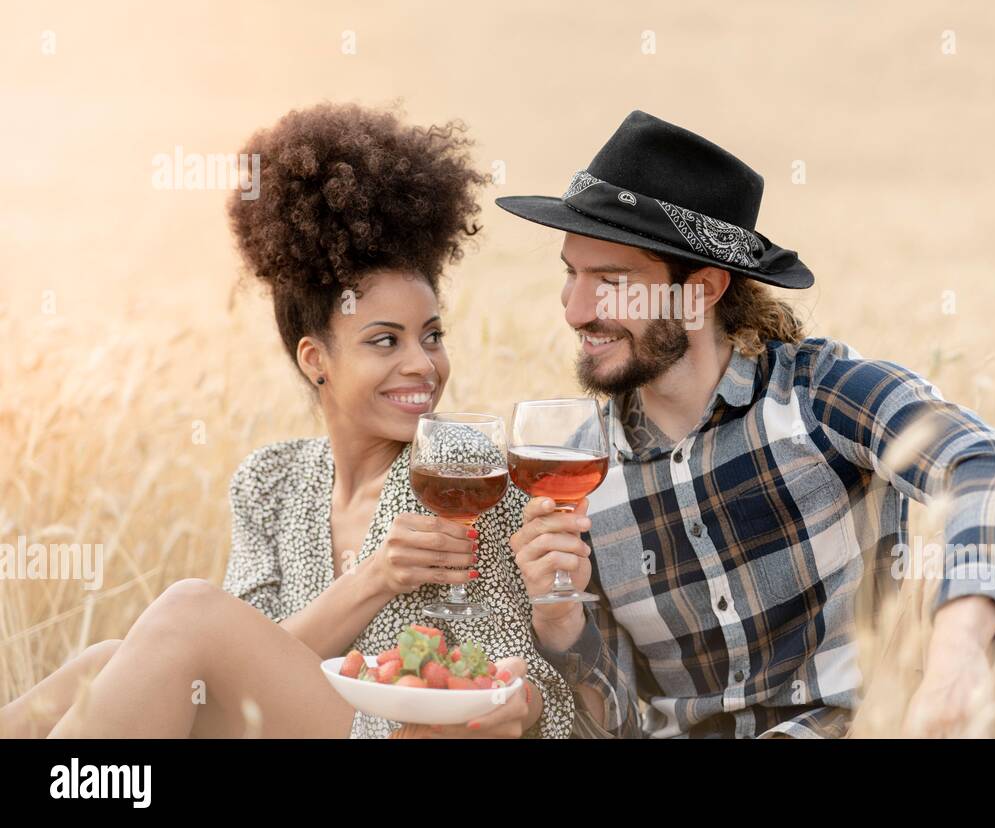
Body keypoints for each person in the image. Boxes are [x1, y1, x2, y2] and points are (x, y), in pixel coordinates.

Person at [0, 103, 573, 739]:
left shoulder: (461, 478)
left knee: (183, 613)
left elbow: (509, 675)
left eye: (432, 335)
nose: (424, 365)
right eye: (385, 341)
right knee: (104, 664)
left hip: (388, 733)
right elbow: (231, 661)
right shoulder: (271, 481)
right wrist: (374, 579)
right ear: (315, 359)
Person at [498, 110, 995, 738]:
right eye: (571, 274)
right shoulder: (576, 471)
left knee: (987, 618)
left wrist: (955, 656)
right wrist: (564, 626)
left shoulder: (820, 396)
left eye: (611, 281)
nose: (575, 311)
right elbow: (619, 723)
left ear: (700, 290)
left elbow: (994, 468)